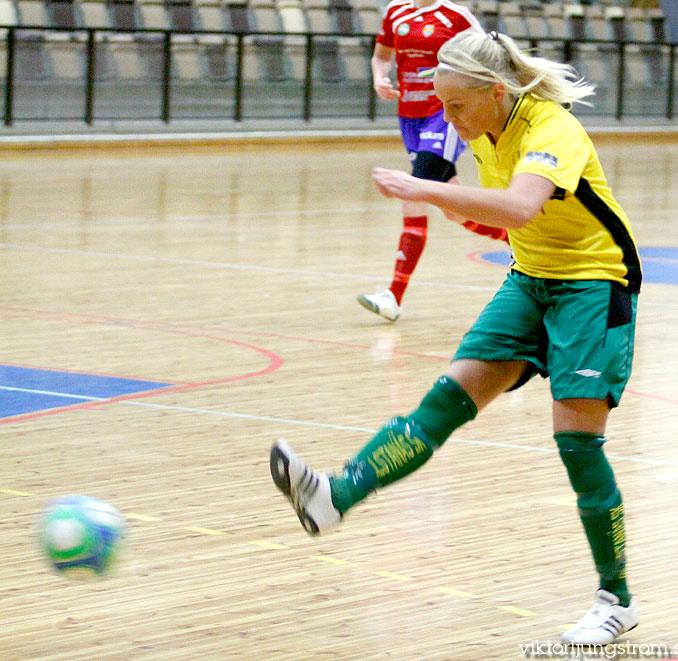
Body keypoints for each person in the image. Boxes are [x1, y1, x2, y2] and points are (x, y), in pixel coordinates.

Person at [270, 30, 642, 645]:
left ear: (496, 92)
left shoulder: (553, 129)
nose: (447, 118)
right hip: (533, 279)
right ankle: (334, 497)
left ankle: (616, 599)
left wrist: (424, 190)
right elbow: (506, 218)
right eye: (441, 105)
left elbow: (521, 206)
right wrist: (460, 206)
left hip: (594, 284)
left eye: (457, 106)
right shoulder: (484, 126)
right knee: (443, 403)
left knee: (577, 444)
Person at [357, 0, 507, 323]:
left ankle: (393, 297)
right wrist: (379, 78)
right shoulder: (394, 11)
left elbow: (488, 54)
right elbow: (382, 56)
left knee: (415, 192)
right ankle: (516, 239)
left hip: (444, 114)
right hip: (409, 116)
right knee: (453, 210)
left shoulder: (456, 16)